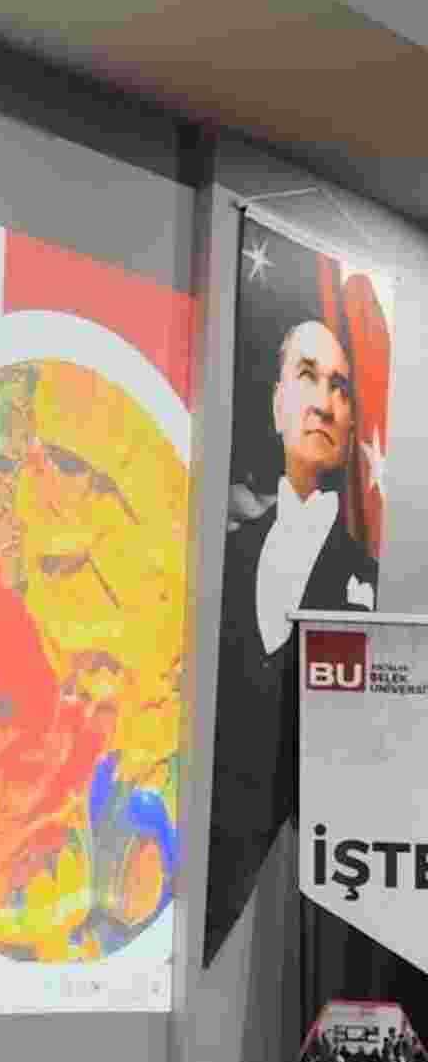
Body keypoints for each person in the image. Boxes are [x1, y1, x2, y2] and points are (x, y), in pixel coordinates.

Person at [204, 318, 379, 966]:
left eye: (340, 387)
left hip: (312, 906)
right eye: (307, 377)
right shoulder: (222, 558)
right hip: (205, 890)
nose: (325, 402)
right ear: (278, 402)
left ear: (352, 423)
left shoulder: (373, 584)